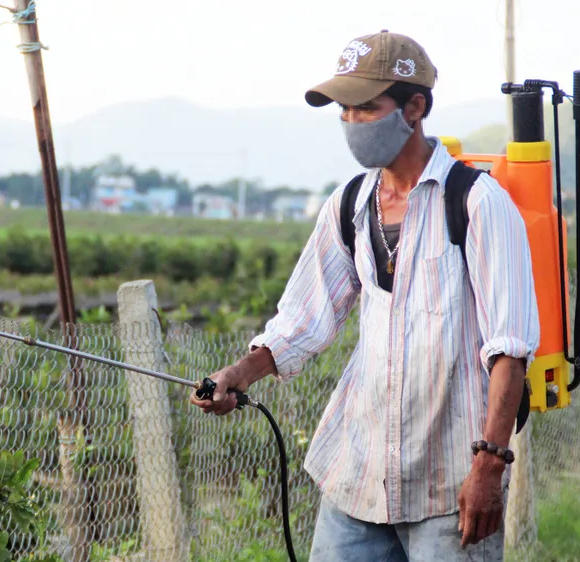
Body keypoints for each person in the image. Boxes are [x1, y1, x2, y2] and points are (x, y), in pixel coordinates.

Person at [190, 29, 540, 561]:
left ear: (414, 107)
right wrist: (237, 375)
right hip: (359, 474)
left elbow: (509, 352)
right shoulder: (349, 204)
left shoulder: (477, 203)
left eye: (366, 108)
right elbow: (304, 319)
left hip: (452, 481)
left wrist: (489, 466)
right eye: (343, 110)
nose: (352, 122)